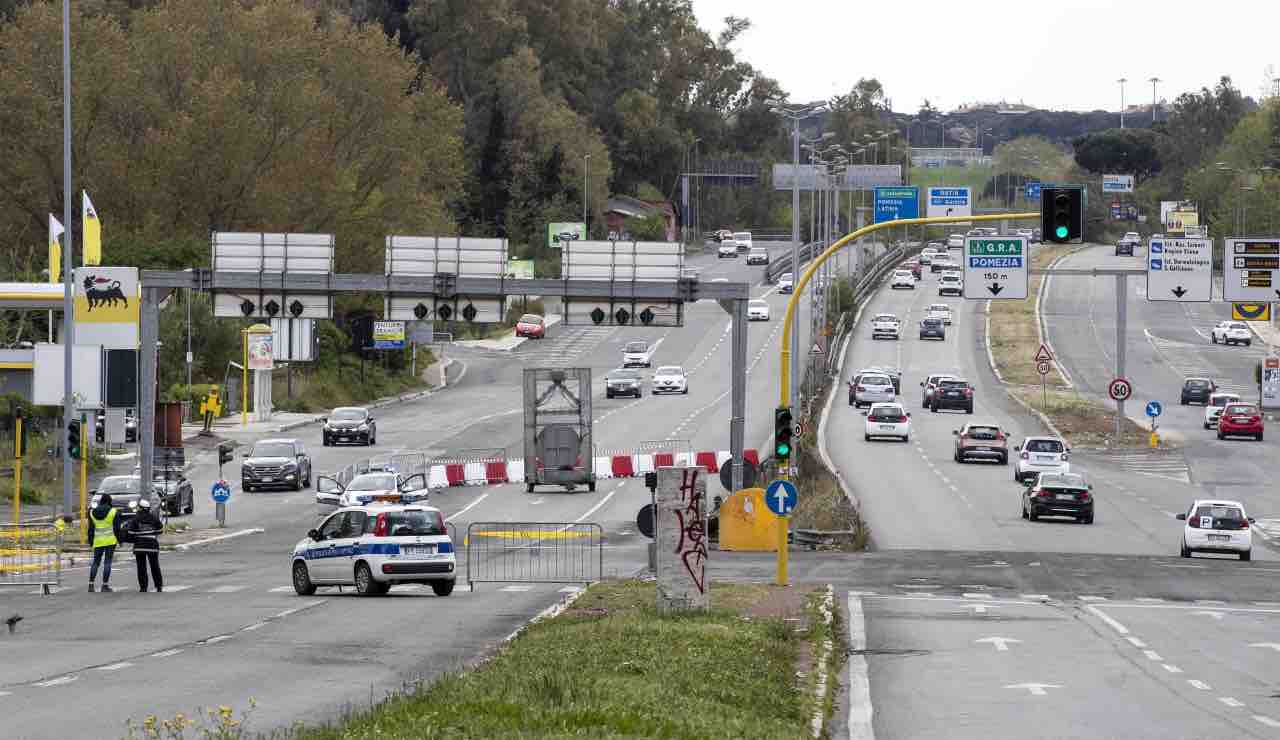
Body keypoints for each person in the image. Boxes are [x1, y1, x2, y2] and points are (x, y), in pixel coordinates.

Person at [126, 498, 163, 593]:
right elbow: (160, 530)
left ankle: (143, 587)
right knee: (155, 566)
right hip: (152, 546)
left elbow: (130, 532)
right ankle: (158, 586)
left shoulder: (136, 519)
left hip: (139, 546)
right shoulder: (153, 518)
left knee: (141, 567)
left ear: (140, 508)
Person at [88, 494, 124, 592]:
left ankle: (91, 585)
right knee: (107, 562)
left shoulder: (92, 512)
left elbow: (91, 529)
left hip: (98, 541)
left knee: (95, 562)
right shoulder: (113, 512)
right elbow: (117, 529)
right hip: (110, 541)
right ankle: (104, 586)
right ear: (109, 501)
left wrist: (91, 542)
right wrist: (120, 540)